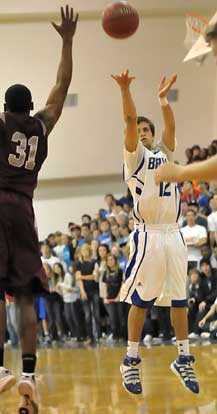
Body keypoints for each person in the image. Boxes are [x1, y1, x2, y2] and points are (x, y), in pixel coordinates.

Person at [0, 6, 78, 412]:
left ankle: (0, 370)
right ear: (30, 106)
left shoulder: (0, 124)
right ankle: (27, 374)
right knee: (27, 296)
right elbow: (61, 87)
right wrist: (66, 41)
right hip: (25, 210)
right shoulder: (40, 125)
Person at [112, 69, 199, 395]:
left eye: (148, 129)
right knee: (142, 300)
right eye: (140, 129)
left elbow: (172, 129)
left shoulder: (166, 154)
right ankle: (131, 360)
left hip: (174, 233)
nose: (145, 133)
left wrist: (163, 100)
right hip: (148, 234)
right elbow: (130, 118)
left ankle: (183, 357)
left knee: (180, 299)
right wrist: (125, 90)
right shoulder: (134, 157)